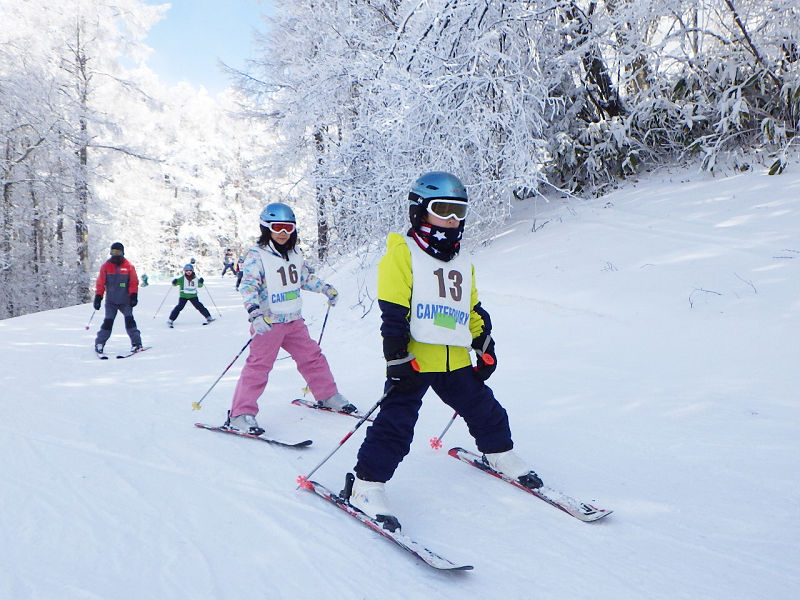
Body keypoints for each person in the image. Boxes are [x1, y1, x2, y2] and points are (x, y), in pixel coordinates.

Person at [345, 172, 542, 532]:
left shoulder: (461, 262)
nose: (452, 219)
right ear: (420, 211)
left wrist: (484, 344)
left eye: (459, 211)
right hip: (415, 359)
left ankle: (499, 453)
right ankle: (366, 485)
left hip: (453, 359)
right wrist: (397, 356)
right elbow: (393, 312)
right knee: (396, 424)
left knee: (484, 408)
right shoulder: (402, 255)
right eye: (443, 209)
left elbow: (473, 310)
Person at [226, 202, 357, 435]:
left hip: (294, 320)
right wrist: (254, 313)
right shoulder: (258, 256)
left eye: (289, 227)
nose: (284, 233)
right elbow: (248, 287)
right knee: (259, 367)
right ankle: (240, 414)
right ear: (266, 228)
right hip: (268, 322)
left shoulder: (295, 254)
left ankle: (327, 395)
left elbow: (305, 278)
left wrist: (325, 288)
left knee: (312, 357)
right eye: (278, 227)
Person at [93, 242, 143, 354]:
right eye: (113, 252)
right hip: (111, 301)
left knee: (130, 321)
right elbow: (100, 283)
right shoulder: (106, 266)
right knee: (108, 322)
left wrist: (133, 295)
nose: (115, 255)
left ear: (122, 253)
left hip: (125, 301)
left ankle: (136, 343)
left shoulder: (128, 266)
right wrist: (98, 297)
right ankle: (100, 343)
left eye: (118, 252)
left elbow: (133, 282)